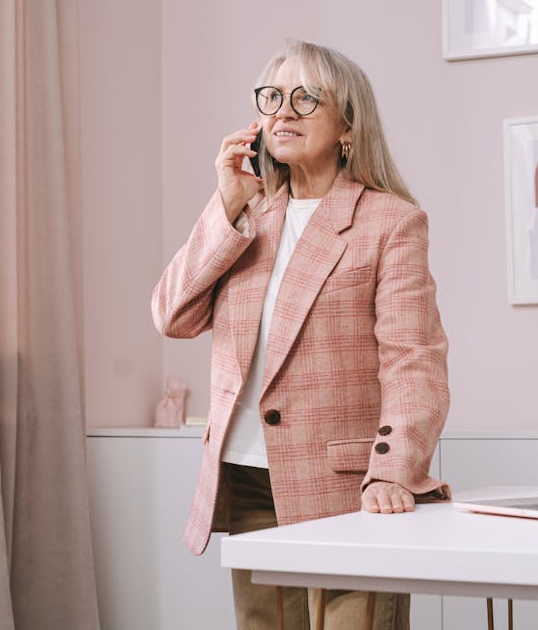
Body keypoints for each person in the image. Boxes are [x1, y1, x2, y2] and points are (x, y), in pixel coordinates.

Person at [152, 39, 450, 630]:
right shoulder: (248, 218)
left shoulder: (389, 221)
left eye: (304, 97)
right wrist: (225, 204)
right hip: (248, 484)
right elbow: (172, 315)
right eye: (271, 97)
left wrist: (393, 471)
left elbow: (414, 362)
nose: (282, 111)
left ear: (347, 125)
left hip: (350, 492)